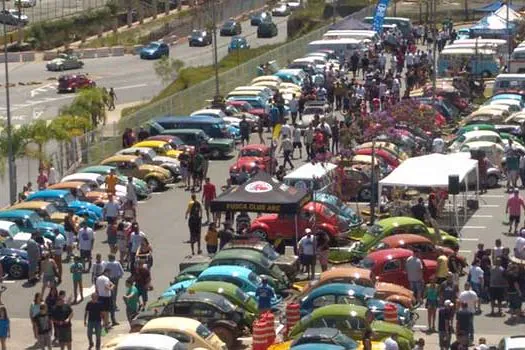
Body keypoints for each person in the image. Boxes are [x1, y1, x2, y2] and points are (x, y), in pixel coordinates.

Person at [105, 254, 124, 325]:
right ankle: (114, 305)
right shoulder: (117, 263)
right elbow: (122, 271)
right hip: (116, 279)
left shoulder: (107, 264)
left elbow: (104, 271)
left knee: (110, 292)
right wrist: (119, 276)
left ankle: (112, 305)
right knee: (115, 292)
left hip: (109, 278)